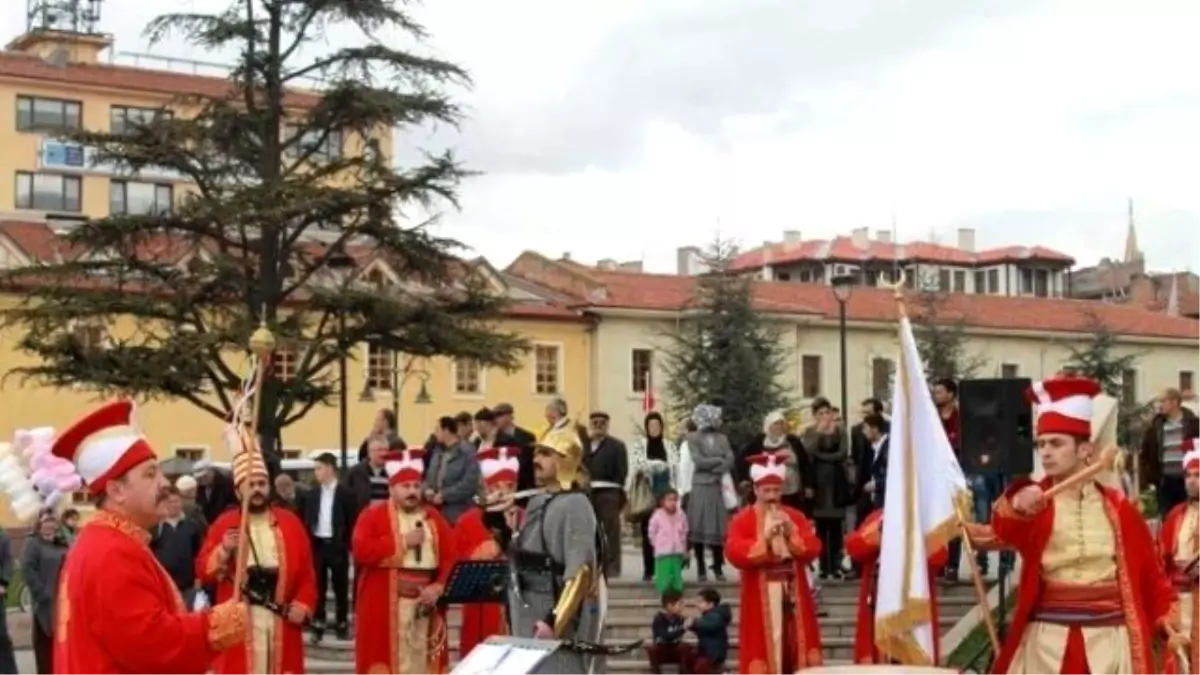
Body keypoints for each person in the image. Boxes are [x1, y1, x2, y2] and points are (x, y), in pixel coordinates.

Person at [991, 374, 1180, 674]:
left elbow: (1149, 573)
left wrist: (1166, 617)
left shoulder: (1119, 508)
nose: (1046, 452)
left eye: (1056, 443)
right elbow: (1005, 526)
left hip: (1110, 642)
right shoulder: (1036, 502)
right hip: (1047, 645)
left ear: (1085, 451)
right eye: (1041, 445)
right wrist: (1016, 503)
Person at [51, 400, 246, 673]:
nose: (165, 484)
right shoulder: (111, 552)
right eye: (150, 474)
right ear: (116, 490)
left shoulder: (107, 540)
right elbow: (151, 645)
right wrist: (215, 626)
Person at [197, 449, 317, 675]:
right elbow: (203, 572)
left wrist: (303, 604)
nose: (257, 489)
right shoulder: (224, 524)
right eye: (250, 484)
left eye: (262, 483)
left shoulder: (291, 522)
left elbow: (307, 574)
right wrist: (223, 551)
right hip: (242, 618)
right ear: (238, 490)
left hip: (281, 616)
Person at [508, 421, 605, 675]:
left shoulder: (576, 504)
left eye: (546, 453)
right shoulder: (537, 500)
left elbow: (581, 571)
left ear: (565, 461)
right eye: (536, 453)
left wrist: (555, 621)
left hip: (552, 607)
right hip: (527, 607)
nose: (536, 459)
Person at [353, 448, 456, 675]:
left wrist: (438, 587)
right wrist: (402, 542)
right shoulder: (372, 516)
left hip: (425, 605)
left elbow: (451, 557)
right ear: (392, 489)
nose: (412, 492)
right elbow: (361, 550)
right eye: (406, 486)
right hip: (388, 604)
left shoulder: (434, 519)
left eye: (416, 486)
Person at [725, 450, 823, 672]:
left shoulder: (795, 516)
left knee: (796, 643)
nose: (772, 496)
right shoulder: (743, 519)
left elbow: (813, 547)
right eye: (767, 490)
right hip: (760, 593)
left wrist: (792, 535)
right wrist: (765, 541)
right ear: (756, 490)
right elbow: (734, 552)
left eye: (776, 490)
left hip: (793, 588)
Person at [844, 507, 948, 664]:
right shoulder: (877, 517)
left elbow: (940, 557)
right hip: (879, 598)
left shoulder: (925, 518)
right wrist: (878, 535)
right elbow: (854, 547)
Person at [453, 446, 525, 657]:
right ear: (485, 487)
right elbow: (453, 562)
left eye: (510, 486)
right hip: (481, 608)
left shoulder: (528, 517)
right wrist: (476, 556)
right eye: (496, 486)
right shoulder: (467, 521)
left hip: (521, 604)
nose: (503, 492)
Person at [304, 452, 355, 643]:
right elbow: (307, 518)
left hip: (336, 543)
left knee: (340, 585)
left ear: (330, 468)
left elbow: (352, 520)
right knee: (318, 585)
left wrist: (347, 544)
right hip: (318, 544)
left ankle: (342, 622)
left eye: (319, 468)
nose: (316, 472)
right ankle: (318, 621)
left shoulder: (346, 493)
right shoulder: (312, 493)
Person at [1158, 440, 1200, 672]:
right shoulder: (1175, 515)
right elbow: (1159, 562)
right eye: (1188, 475)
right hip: (1177, 604)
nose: (1191, 481)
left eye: (1198, 475)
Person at [801, 397, 850, 579]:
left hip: (836, 480)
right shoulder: (810, 431)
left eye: (827, 412)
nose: (825, 416)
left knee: (836, 528)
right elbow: (808, 453)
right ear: (815, 416)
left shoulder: (841, 431)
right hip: (818, 481)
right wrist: (819, 434)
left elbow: (842, 453)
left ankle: (836, 566)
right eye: (820, 413)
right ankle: (823, 566)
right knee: (821, 528)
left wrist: (822, 456)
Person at [627, 411, 679, 581]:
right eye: (651, 426)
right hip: (648, 494)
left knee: (666, 533)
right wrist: (657, 465)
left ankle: (664, 569)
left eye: (657, 425)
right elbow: (638, 466)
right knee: (648, 531)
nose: (654, 429)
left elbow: (675, 467)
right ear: (647, 428)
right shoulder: (640, 445)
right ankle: (648, 569)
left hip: (666, 494)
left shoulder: (669, 446)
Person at [685, 404, 734, 582]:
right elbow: (698, 461)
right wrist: (718, 460)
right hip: (700, 486)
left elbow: (730, 459)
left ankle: (718, 566)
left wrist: (716, 465)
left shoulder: (722, 438)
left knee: (717, 527)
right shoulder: (693, 438)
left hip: (716, 486)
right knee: (698, 525)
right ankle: (701, 568)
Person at [585, 411, 628, 578]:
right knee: (589, 530)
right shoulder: (584, 445)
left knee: (610, 531)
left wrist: (614, 490)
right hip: (588, 493)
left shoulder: (617, 446)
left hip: (609, 492)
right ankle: (592, 566)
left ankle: (612, 568)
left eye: (602, 422)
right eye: (595, 422)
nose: (598, 426)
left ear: (607, 425)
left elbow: (622, 472)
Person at [1144, 388, 1200, 518]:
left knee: (1189, 517)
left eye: (1163, 401)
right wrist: (1151, 477)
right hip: (1165, 482)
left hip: (1188, 480)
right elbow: (1145, 454)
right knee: (1167, 519)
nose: (1159, 406)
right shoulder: (1155, 426)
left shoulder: (1194, 424)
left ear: (1174, 402)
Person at [24, 511, 67, 675]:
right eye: (46, 520)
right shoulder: (34, 543)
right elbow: (28, 569)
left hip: (63, 601)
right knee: (44, 646)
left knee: (61, 643)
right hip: (45, 602)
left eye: (52, 520)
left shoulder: (62, 543)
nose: (49, 523)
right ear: (40, 523)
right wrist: (42, 593)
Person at [738, 410, 806, 510]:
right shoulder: (759, 442)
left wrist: (808, 484)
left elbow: (804, 462)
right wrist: (744, 479)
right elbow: (744, 459)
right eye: (776, 424)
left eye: (781, 423)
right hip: (768, 488)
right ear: (768, 426)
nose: (779, 427)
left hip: (790, 488)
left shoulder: (792, 441)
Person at [151, 486, 206, 606]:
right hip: (164, 586)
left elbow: (199, 553)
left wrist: (198, 578)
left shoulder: (191, 525)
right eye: (171, 502)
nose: (175, 505)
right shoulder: (155, 528)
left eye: (177, 501)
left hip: (188, 586)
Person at [424, 415, 481, 525]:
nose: (435, 434)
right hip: (435, 513)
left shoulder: (467, 452)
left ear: (446, 431)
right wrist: (427, 490)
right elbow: (427, 477)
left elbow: (469, 483)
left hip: (458, 513)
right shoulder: (437, 452)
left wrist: (445, 495)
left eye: (438, 430)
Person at [648, 489, 688, 594]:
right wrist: (657, 544)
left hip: (677, 551)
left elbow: (684, 531)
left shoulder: (681, 515)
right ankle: (664, 596)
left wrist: (684, 548)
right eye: (669, 499)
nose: (672, 502)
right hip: (663, 552)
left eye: (675, 499)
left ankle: (677, 596)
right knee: (664, 576)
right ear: (662, 502)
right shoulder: (657, 516)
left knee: (676, 575)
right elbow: (652, 532)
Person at [685, 587, 732, 675]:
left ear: (711, 604)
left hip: (713, 653)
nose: (697, 605)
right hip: (708, 651)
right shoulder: (710, 615)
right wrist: (692, 626)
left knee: (700, 668)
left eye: (701, 602)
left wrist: (694, 623)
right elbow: (705, 630)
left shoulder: (716, 615)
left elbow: (708, 625)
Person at [492, 402, 537, 493]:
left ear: (509, 417)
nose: (495, 420)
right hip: (504, 486)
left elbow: (531, 462)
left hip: (525, 486)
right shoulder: (494, 440)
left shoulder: (527, 436)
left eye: (499, 416)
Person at [645, 590, 691, 675]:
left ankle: (683, 672)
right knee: (651, 648)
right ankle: (656, 672)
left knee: (686, 647)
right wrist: (683, 628)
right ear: (670, 605)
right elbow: (665, 636)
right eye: (679, 604)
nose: (682, 607)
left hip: (675, 650)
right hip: (662, 650)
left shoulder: (680, 618)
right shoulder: (659, 619)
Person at [345, 434, 391, 516]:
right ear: (370, 453)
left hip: (386, 519)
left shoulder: (392, 472)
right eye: (380, 450)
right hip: (364, 519)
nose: (384, 453)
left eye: (386, 450)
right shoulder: (356, 472)